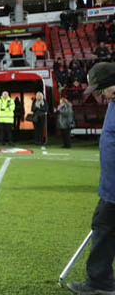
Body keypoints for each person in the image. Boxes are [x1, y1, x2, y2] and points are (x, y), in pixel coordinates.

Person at [68, 62, 115, 295]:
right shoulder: (113, 102)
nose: (99, 95)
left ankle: (100, 284)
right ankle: (101, 281)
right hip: (110, 187)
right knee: (103, 227)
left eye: (100, 89)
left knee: (103, 228)